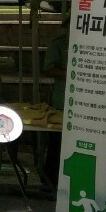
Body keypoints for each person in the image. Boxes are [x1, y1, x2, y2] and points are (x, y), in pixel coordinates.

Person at [40, 17, 70, 186]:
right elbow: (48, 69)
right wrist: (73, 73)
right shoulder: (58, 43)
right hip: (61, 100)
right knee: (56, 145)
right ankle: (49, 181)